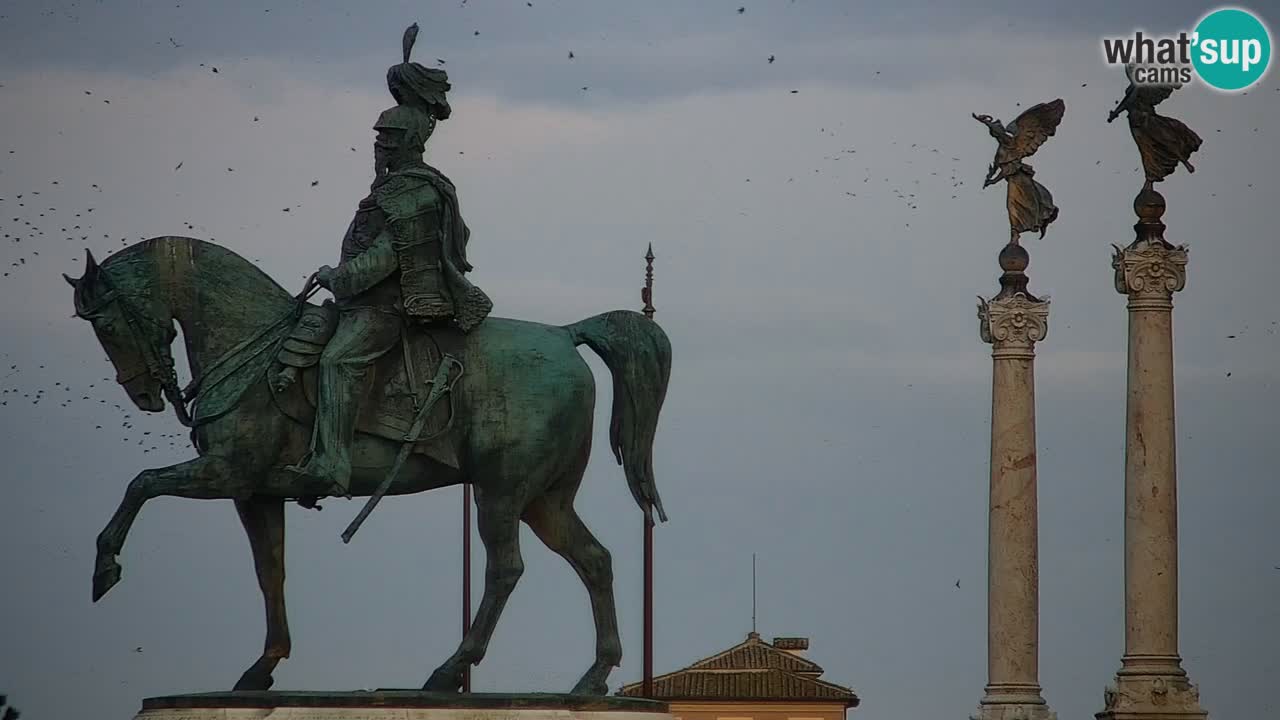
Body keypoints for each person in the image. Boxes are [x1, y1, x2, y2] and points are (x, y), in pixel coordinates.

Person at [287, 42, 490, 496]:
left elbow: (385, 258)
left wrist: (338, 278)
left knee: (338, 361)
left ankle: (332, 463)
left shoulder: (414, 192)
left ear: (407, 143)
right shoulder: (391, 187)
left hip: (386, 309)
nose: (379, 147)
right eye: (379, 139)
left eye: (387, 140)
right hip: (358, 305)